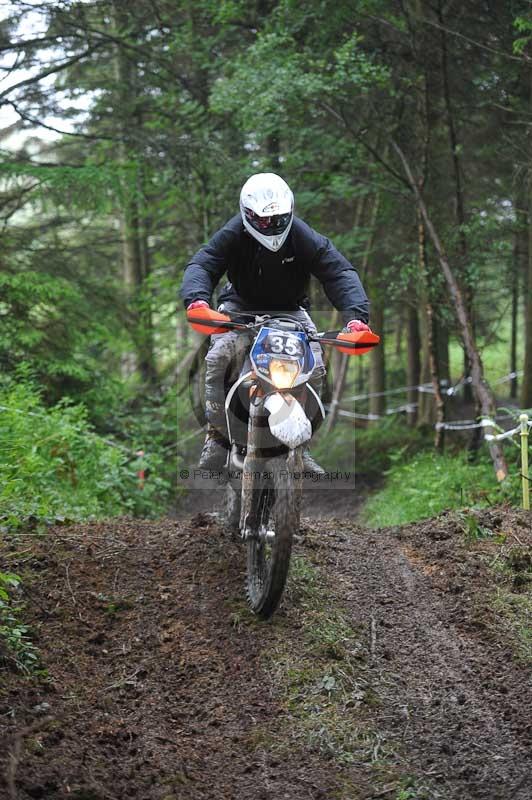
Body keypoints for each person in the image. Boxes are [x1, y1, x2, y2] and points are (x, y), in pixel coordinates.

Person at [180, 172, 371, 473]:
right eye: (264, 220)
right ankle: (216, 436)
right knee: (218, 357)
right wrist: (198, 301)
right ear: (248, 215)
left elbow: (338, 272)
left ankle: (302, 445)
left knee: (317, 366)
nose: (271, 226)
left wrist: (356, 319)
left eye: (278, 219)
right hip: (239, 307)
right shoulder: (234, 233)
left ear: (289, 211)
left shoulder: (301, 235)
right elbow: (204, 263)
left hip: (290, 310)